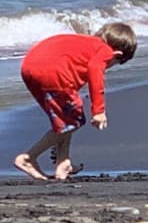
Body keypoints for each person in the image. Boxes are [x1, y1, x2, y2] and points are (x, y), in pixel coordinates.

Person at [12, 22, 137, 181]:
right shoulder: (105, 51)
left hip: (29, 68)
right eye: (114, 63)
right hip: (53, 73)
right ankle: (28, 158)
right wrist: (98, 111)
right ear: (117, 54)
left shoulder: (84, 44)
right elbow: (95, 69)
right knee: (75, 120)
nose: (109, 66)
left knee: (66, 120)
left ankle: (63, 163)